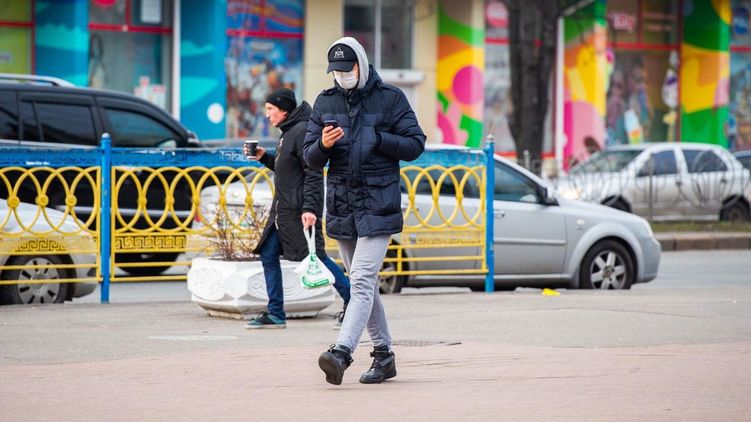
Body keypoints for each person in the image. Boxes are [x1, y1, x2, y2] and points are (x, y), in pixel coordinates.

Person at [303, 37, 426, 385]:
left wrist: (381, 139)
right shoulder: (325, 101)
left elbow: (416, 143)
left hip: (378, 203)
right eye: (336, 71)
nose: (342, 76)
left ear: (361, 65)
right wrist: (323, 145)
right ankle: (384, 356)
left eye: (348, 69)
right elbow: (310, 158)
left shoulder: (391, 98)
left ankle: (341, 352)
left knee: (359, 280)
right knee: (365, 285)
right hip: (343, 205)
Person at [243, 88, 351, 329]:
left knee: (317, 257)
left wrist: (310, 209)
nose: (267, 115)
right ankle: (275, 313)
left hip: (298, 212)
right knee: (268, 254)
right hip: (281, 212)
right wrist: (264, 157)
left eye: (270, 109)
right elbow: (289, 170)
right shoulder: (288, 132)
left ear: (284, 109)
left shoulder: (302, 131)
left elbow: (313, 172)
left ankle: (354, 302)